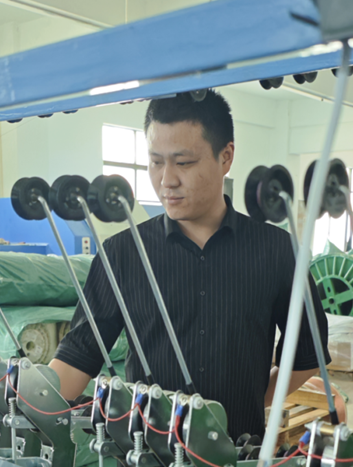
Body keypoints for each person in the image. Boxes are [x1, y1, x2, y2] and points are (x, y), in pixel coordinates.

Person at [49, 89, 329, 438]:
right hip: (147, 453)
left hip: (237, 451)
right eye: (156, 162)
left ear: (226, 157)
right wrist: (30, 403)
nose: (167, 180)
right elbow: (79, 356)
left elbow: (307, 354)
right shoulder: (122, 253)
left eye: (183, 163)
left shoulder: (278, 251)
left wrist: (247, 403)